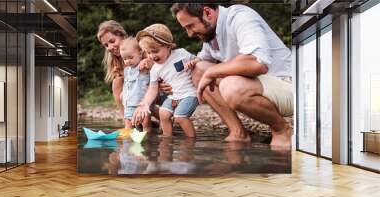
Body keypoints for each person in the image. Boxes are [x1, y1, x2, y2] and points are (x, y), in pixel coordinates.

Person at [170, 4, 293, 147]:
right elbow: (200, 63)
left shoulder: (240, 16)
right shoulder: (211, 33)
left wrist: (212, 71)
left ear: (208, 13)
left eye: (190, 26)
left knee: (231, 87)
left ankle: (282, 130)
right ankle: (238, 133)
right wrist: (172, 86)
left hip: (288, 87)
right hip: (260, 86)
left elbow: (257, 63)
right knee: (198, 70)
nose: (189, 34)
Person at [132, 24, 199, 138]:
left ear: (168, 46)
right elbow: (152, 89)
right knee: (163, 114)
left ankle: (191, 141)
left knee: (180, 117)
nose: (152, 56)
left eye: (155, 51)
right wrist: (144, 104)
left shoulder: (181, 54)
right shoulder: (155, 69)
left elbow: (199, 59)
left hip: (189, 93)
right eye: (148, 52)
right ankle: (167, 138)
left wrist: (194, 62)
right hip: (174, 96)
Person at [97, 20, 153, 118]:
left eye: (112, 41)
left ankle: (154, 118)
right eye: (106, 45)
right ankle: (127, 119)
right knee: (116, 82)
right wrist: (121, 73)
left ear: (122, 35)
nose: (110, 47)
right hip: (136, 95)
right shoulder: (116, 61)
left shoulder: (139, 49)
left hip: (154, 89)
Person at [119, 37, 152, 132]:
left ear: (140, 53)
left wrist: (145, 62)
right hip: (129, 104)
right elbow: (127, 85)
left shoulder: (142, 66)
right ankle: (127, 140)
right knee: (129, 124)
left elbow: (151, 64)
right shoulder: (126, 70)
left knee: (145, 123)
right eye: (125, 59)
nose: (128, 61)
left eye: (130, 57)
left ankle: (148, 138)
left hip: (141, 103)